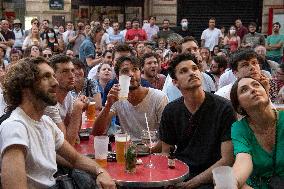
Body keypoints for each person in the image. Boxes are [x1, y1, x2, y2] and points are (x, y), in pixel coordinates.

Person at [0, 57, 116, 189]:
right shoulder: (15, 127)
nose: (55, 82)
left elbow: (75, 159)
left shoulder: (46, 122)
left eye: (53, 76)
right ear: (25, 87)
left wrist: (100, 172)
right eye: (46, 77)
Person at [159, 53, 236, 188]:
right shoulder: (171, 110)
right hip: (181, 173)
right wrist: (169, 179)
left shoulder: (224, 108)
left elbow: (228, 159)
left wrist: (191, 184)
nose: (192, 73)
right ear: (175, 82)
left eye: (194, 68)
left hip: (213, 176)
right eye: (184, 71)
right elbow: (166, 152)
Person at [92, 56, 168, 148]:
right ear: (117, 77)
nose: (131, 74)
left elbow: (166, 141)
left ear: (140, 73)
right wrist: (108, 105)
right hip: (128, 152)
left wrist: (142, 152)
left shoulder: (159, 97)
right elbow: (97, 132)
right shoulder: (117, 97)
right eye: (125, 71)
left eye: (135, 69)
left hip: (152, 152)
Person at [230, 77, 284, 188]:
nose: (253, 90)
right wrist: (231, 183)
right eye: (244, 90)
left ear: (266, 92)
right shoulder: (239, 128)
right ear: (239, 106)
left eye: (256, 85)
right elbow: (243, 160)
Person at [44, 54, 88, 146]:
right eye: (65, 71)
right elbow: (67, 144)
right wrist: (77, 109)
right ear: (53, 76)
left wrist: (78, 110)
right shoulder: (48, 103)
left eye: (72, 70)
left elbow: (74, 131)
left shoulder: (67, 95)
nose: (72, 75)